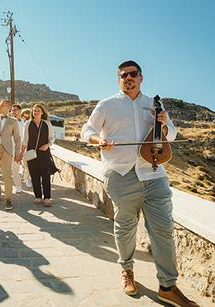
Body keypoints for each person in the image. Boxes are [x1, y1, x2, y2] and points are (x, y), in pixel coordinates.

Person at [81, 60, 199, 307]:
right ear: (118, 79)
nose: (128, 78)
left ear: (141, 77)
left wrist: (165, 123)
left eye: (133, 74)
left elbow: (173, 136)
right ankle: (127, 270)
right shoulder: (107, 105)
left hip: (154, 174)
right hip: (121, 175)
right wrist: (97, 140)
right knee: (125, 228)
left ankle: (167, 286)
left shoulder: (153, 105)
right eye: (123, 75)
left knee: (164, 230)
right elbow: (86, 131)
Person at [0, 99, 21, 211]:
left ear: (8, 108)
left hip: (7, 150)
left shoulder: (14, 121)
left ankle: (8, 199)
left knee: (7, 174)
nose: (0, 107)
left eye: (3, 105)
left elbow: (17, 139)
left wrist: (17, 153)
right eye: (0, 105)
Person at [21, 104, 55, 207]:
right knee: (34, 175)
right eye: (34, 110)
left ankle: (47, 198)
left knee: (45, 176)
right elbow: (25, 140)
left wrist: (47, 145)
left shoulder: (47, 124)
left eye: (38, 110)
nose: (36, 112)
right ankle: (38, 196)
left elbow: (52, 138)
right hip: (31, 153)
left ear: (42, 112)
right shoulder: (27, 124)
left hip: (44, 153)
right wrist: (21, 153)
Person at [11, 104, 25, 193]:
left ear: (20, 111)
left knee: (20, 167)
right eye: (12, 110)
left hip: (22, 148)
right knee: (13, 168)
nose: (13, 112)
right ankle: (16, 186)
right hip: (11, 147)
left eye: (15, 110)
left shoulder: (24, 122)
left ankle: (21, 184)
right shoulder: (9, 121)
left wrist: (22, 149)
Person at [21, 108, 32, 188]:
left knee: (28, 164)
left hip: (29, 146)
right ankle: (26, 178)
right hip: (24, 146)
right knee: (26, 164)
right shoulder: (24, 123)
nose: (25, 117)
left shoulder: (29, 123)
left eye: (26, 115)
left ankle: (27, 178)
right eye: (24, 115)